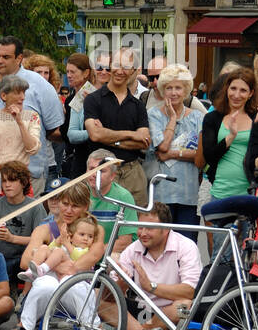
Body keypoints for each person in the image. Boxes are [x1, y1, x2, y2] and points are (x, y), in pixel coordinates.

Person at [3, 180, 108, 330]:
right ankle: (24, 325)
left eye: (75, 206)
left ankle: (94, 328)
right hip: (49, 287)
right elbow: (25, 262)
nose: (68, 210)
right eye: (65, 203)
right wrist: (61, 264)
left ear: (86, 206)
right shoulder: (44, 229)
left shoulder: (93, 229)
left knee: (73, 284)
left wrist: (53, 262)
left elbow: (92, 257)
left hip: (77, 286)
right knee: (45, 284)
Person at [101, 202, 201, 330]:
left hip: (169, 312)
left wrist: (151, 287)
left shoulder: (186, 246)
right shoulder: (132, 250)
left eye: (150, 228)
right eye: (140, 227)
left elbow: (189, 292)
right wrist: (121, 284)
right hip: (139, 309)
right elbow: (110, 297)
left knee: (184, 306)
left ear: (166, 229)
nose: (143, 233)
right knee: (96, 295)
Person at [0, 37, 65, 188]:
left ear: (19, 58)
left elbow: (55, 130)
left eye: (6, 57)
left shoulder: (40, 85)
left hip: (29, 173)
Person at [82, 46, 150, 205]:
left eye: (126, 67)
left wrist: (108, 137)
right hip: (102, 171)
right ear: (111, 65)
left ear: (133, 71)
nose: (120, 71)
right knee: (100, 222)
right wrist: (131, 134)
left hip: (132, 173)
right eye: (117, 65)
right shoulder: (93, 99)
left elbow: (144, 142)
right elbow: (95, 135)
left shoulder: (138, 105)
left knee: (135, 222)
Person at [147, 64, 204, 235]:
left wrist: (173, 154)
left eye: (178, 88)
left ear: (186, 90)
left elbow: (200, 155)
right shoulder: (154, 114)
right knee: (160, 243)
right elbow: (162, 146)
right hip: (161, 192)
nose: (173, 93)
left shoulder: (197, 117)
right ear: (162, 90)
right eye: (169, 88)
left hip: (189, 192)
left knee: (187, 244)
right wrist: (172, 118)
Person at [0, 160, 41, 286]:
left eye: (12, 181)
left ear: (23, 183)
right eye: (4, 181)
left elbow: (41, 241)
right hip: (0, 258)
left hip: (25, 258)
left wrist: (12, 238)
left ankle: (21, 295)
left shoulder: (35, 207)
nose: (7, 185)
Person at [200, 66, 258, 203]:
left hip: (249, 192)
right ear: (226, 89)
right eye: (233, 89)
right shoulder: (212, 118)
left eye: (243, 90)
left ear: (251, 93)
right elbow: (209, 156)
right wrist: (230, 137)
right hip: (220, 190)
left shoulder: (256, 118)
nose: (237, 95)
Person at [0, 74, 41, 198]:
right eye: (18, 93)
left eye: (24, 93)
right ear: (4, 95)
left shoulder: (32, 116)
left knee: (23, 213)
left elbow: (33, 149)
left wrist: (20, 122)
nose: (22, 97)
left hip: (20, 172)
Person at [84, 148, 138, 255]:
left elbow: (124, 242)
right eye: (91, 169)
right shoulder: (80, 193)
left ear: (112, 176)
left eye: (101, 171)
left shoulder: (123, 197)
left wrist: (91, 255)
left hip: (110, 254)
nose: (95, 174)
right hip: (81, 253)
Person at [20, 214, 98, 283]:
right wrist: (58, 241)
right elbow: (50, 249)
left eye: (90, 236)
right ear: (71, 237)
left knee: (59, 252)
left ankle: (43, 269)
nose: (86, 238)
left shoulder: (87, 250)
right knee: (44, 248)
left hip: (77, 279)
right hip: (59, 276)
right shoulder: (67, 246)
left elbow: (77, 257)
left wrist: (66, 243)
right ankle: (31, 271)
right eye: (82, 234)